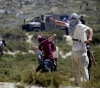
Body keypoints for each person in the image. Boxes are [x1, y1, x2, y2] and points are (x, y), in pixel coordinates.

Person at [50, 13, 94, 86]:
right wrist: (54, 21)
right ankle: (78, 84)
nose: (72, 20)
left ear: (76, 19)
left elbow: (90, 29)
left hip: (82, 49)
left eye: (74, 18)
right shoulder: (71, 26)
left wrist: (90, 37)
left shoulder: (80, 25)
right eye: (72, 18)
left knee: (84, 67)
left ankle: (86, 84)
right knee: (75, 67)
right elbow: (64, 23)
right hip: (74, 49)